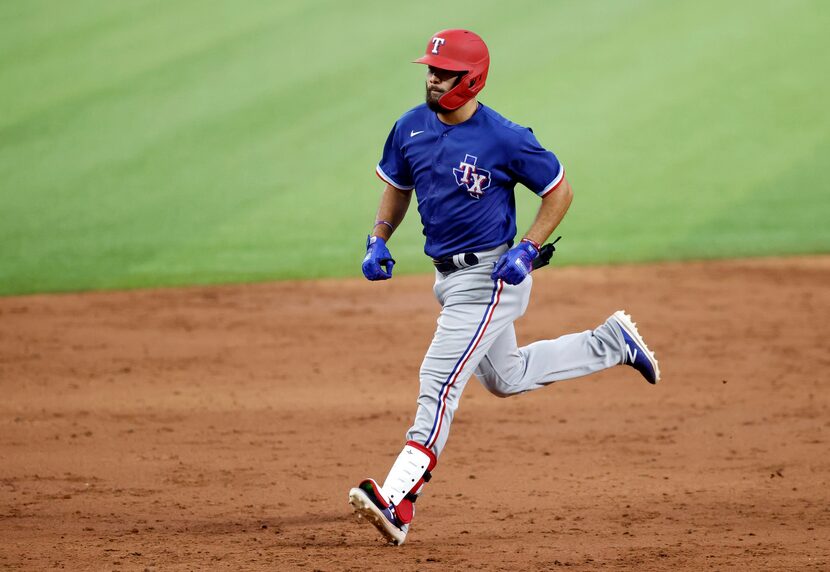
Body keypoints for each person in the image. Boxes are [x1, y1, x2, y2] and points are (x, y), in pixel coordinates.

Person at [348, 29, 660, 546]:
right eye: (429, 69)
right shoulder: (409, 127)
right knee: (505, 376)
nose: (431, 77)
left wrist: (528, 249)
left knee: (439, 379)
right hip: (446, 279)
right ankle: (609, 342)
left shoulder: (505, 137)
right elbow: (397, 186)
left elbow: (558, 190)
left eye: (442, 72)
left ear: (470, 80)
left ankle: (399, 500)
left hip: (491, 278)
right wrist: (377, 239)